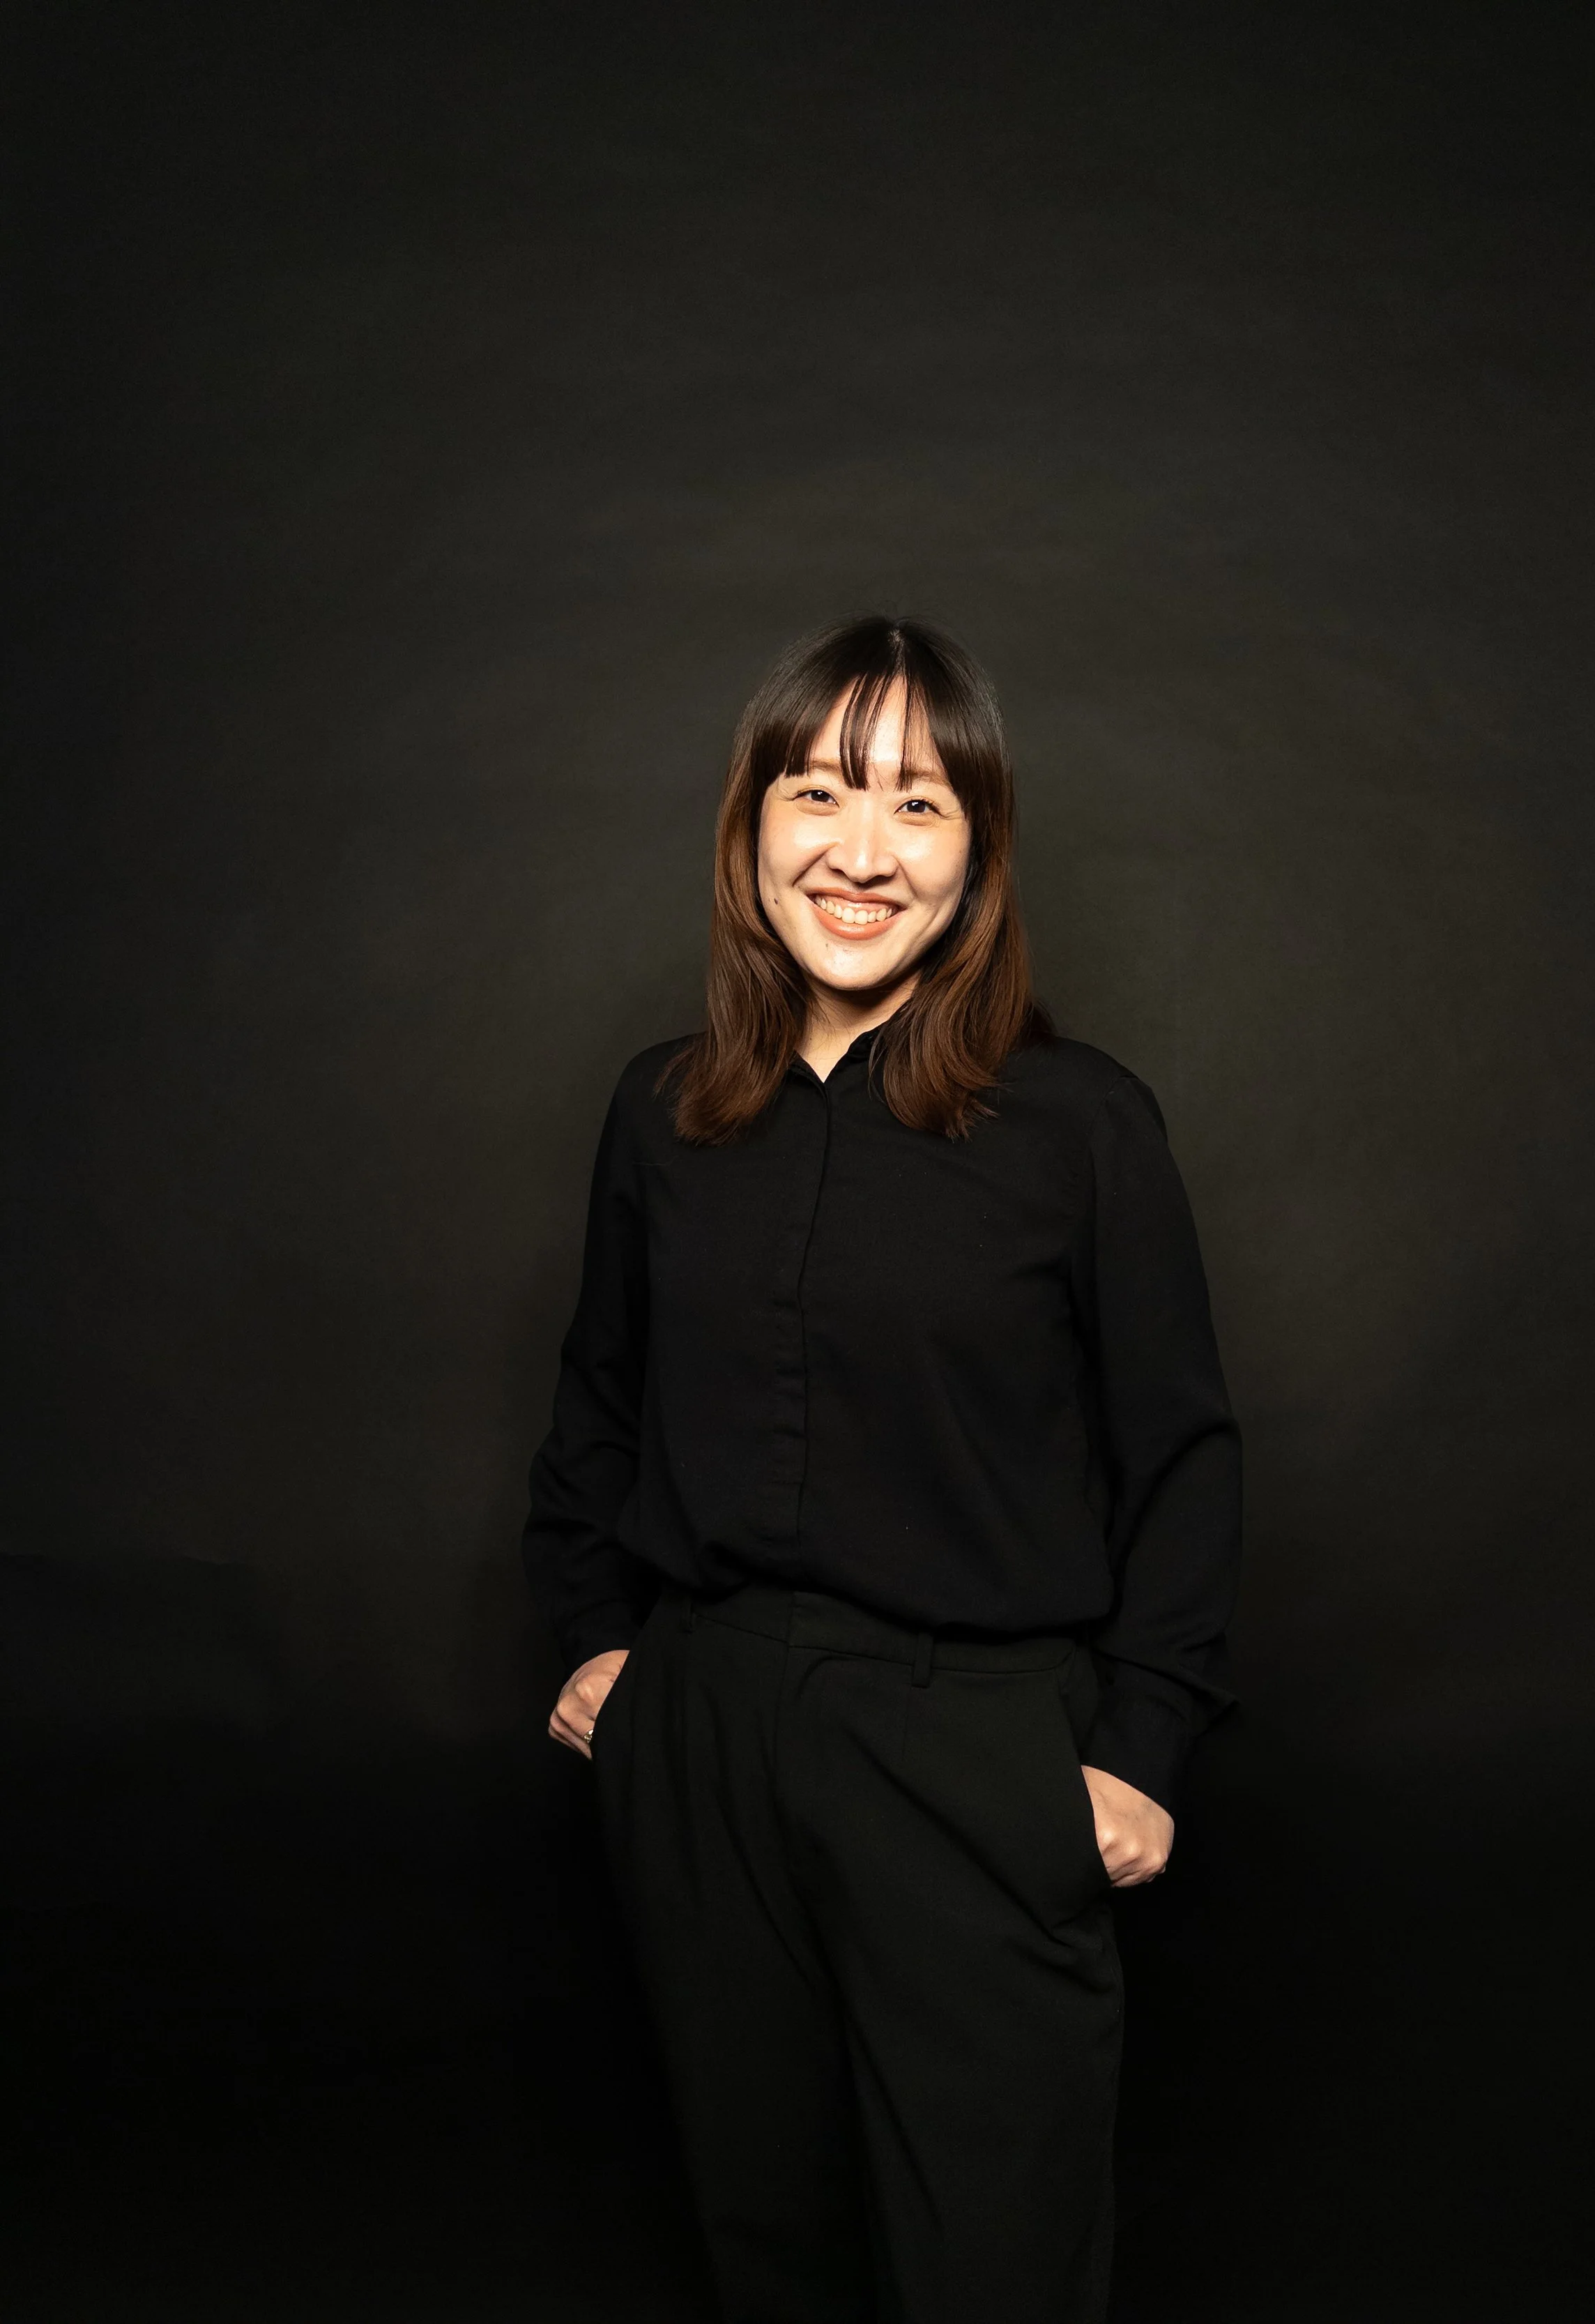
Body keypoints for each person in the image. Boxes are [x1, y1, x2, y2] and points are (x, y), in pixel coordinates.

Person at [521, 614, 1242, 2324]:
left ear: (976, 849)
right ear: (750, 827)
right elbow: (591, 1408)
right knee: (765, 2248)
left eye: (915, 805)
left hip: (971, 1746)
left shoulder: (1080, 1127)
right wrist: (593, 1653)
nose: (857, 853)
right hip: (701, 1735)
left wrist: (1140, 1747)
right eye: (817, 792)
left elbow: (1182, 1455)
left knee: (989, 2259)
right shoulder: (661, 1111)